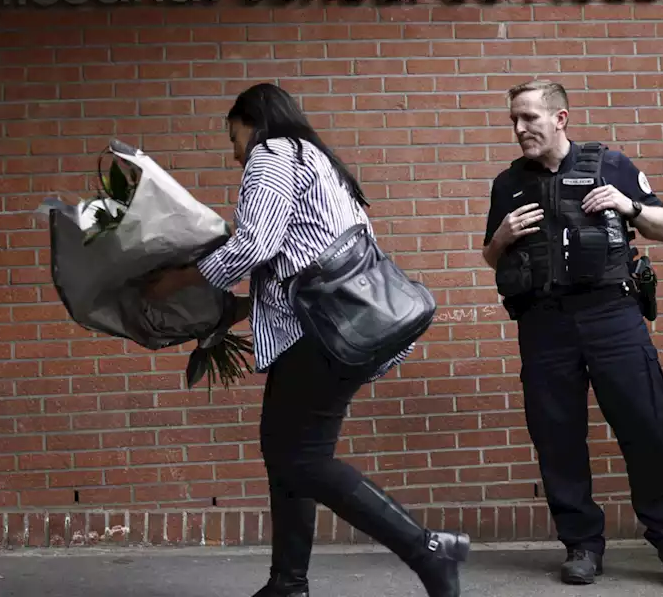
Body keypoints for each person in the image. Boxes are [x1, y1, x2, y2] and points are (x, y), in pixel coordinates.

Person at [145, 83, 470, 597]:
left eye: (233, 137)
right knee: (287, 453)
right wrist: (238, 311)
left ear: (251, 121)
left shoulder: (272, 153)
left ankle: (427, 548)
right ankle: (287, 582)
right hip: (337, 328)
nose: (234, 152)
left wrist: (181, 280)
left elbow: (255, 244)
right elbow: (300, 258)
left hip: (315, 334)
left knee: (300, 458)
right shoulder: (317, 160)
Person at [482, 79, 663, 589]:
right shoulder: (507, 184)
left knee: (646, 427)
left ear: (559, 118)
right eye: (514, 119)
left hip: (612, 316)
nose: (519, 129)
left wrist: (629, 207)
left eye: (529, 118)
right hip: (544, 324)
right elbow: (491, 258)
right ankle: (581, 545)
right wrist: (501, 237)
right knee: (556, 438)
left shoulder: (611, 164)